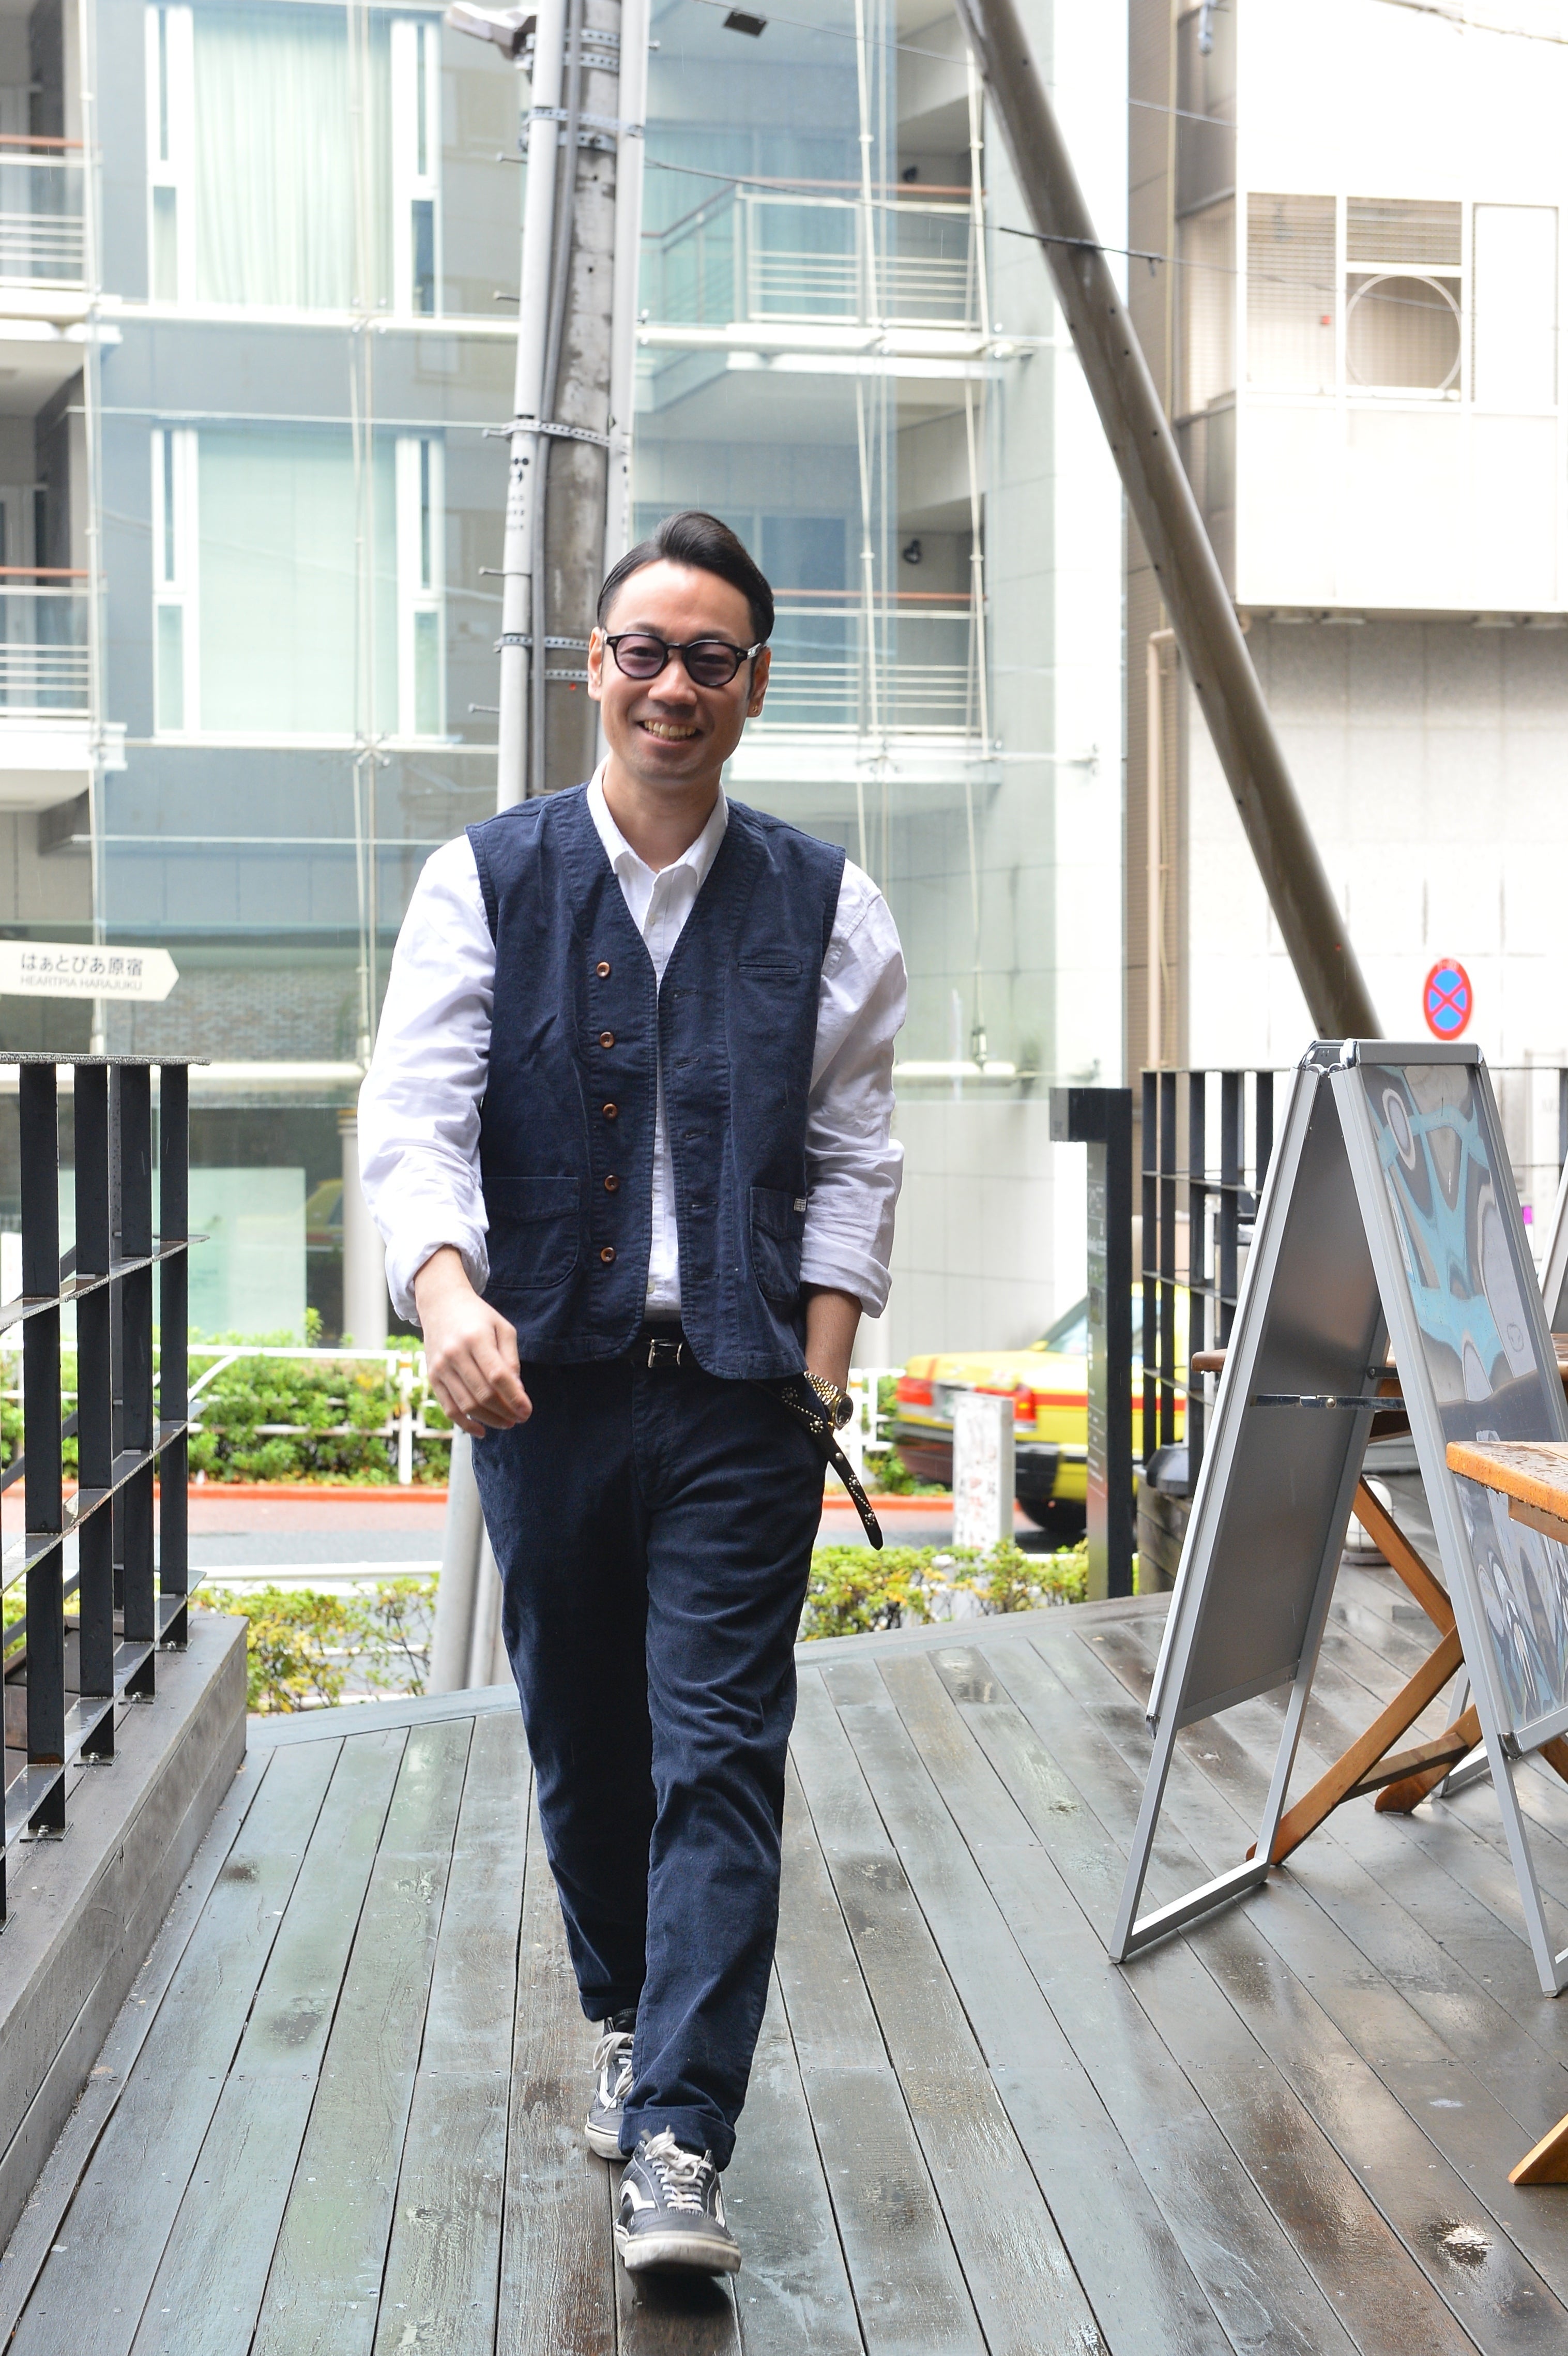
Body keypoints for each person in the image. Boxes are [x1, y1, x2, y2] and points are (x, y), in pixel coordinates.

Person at [359, 509, 905, 2277]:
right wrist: (448, 1295)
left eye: (710, 657)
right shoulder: (485, 878)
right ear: (595, 668)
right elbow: (415, 1118)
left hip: (745, 1402)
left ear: (756, 684)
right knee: (585, 1739)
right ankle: (624, 2007)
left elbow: (854, 1156)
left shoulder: (830, 904)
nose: (674, 684)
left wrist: (820, 1376)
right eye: (645, 651)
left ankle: (680, 2133)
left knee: (722, 1752)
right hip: (548, 1394)